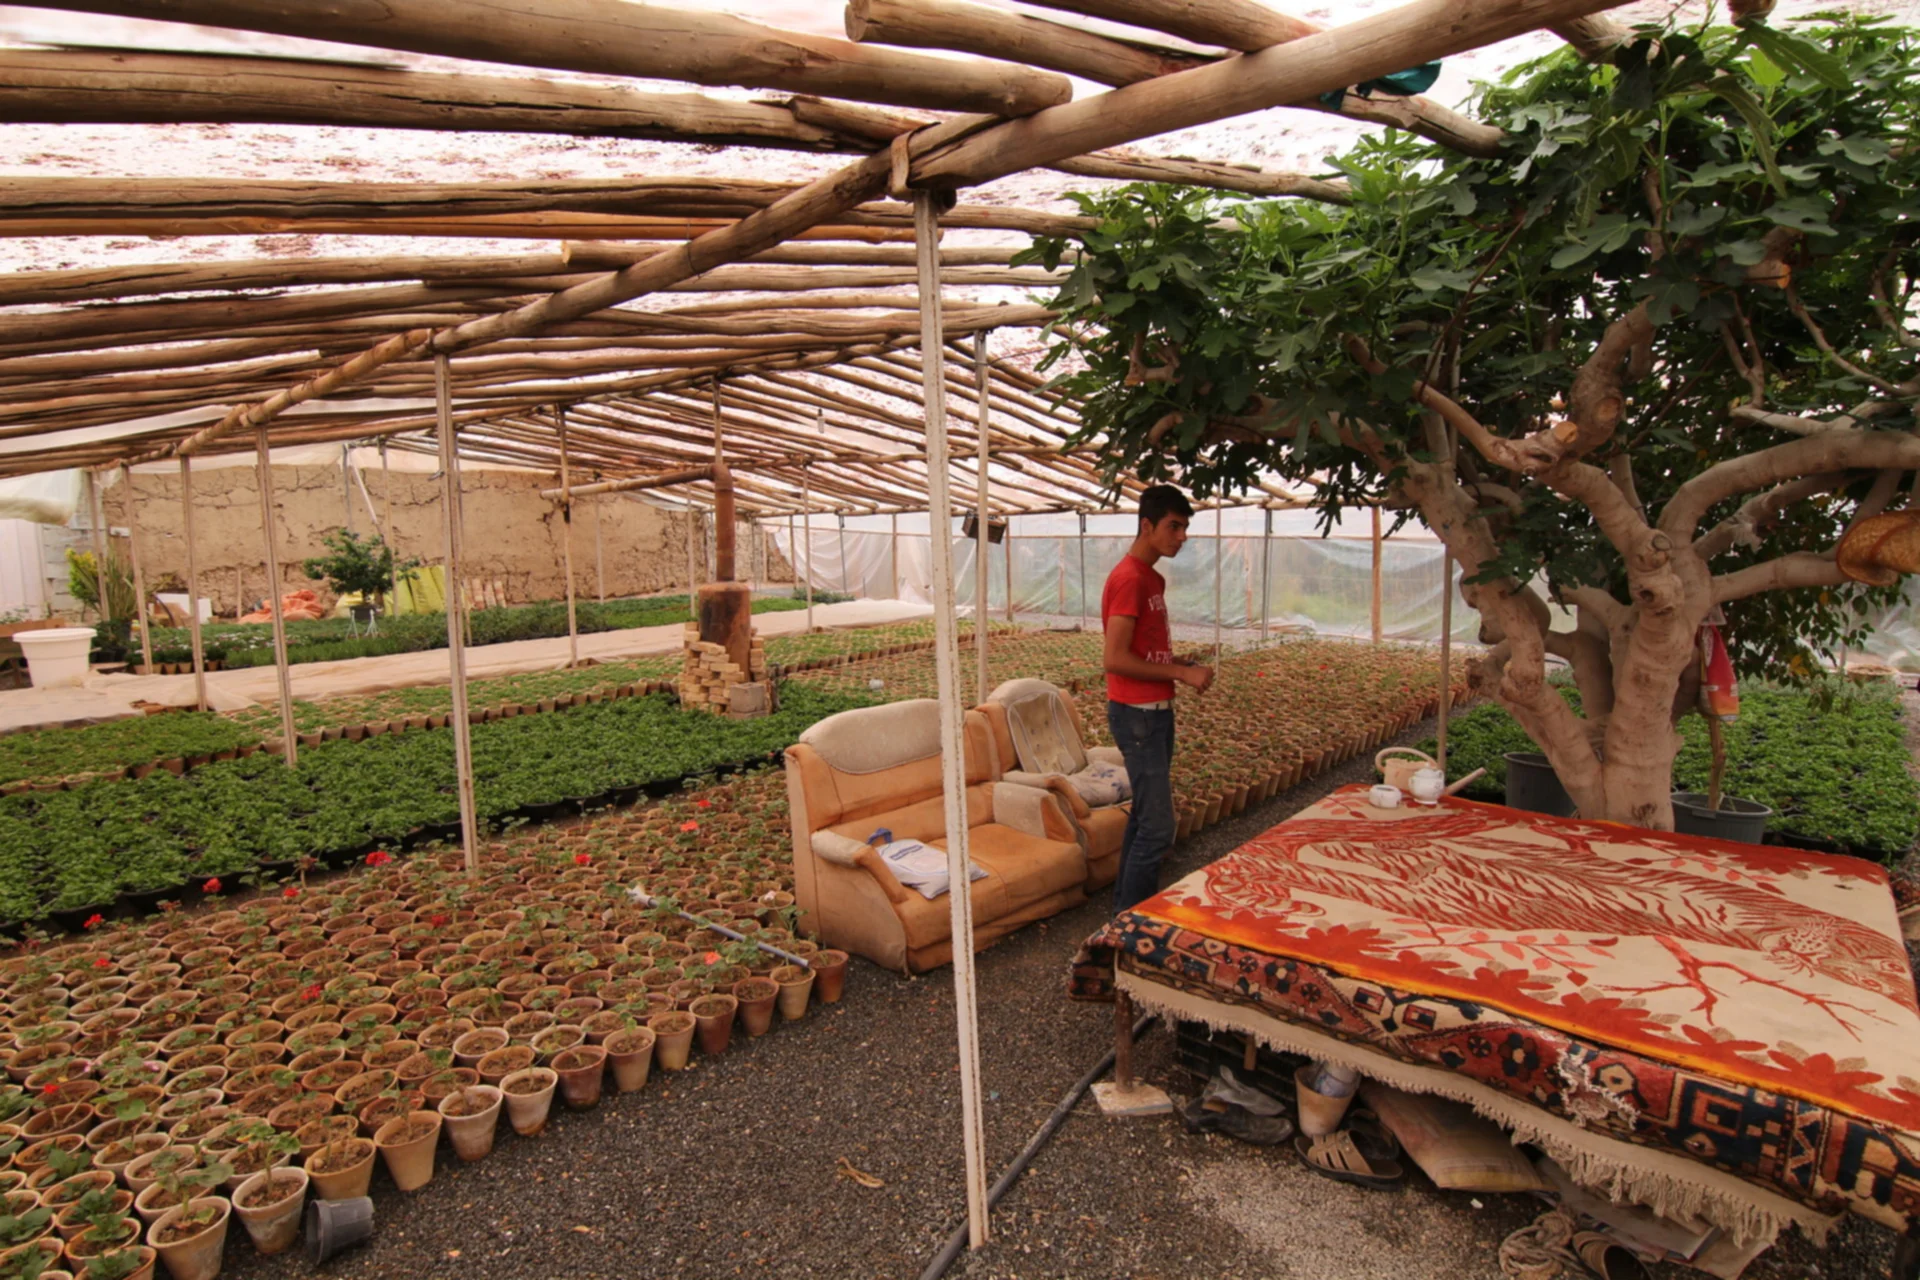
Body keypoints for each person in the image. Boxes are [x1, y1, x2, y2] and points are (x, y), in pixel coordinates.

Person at [1101, 484, 1213, 911]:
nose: (1181, 537)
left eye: (1184, 528)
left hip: (1155, 714)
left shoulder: (1152, 578)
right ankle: (1133, 925)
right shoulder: (1129, 578)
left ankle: (1122, 915)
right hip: (1137, 716)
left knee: (1144, 818)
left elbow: (1139, 650)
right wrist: (1181, 673)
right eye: (1173, 526)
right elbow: (1114, 658)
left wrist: (1174, 660)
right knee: (1158, 829)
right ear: (1146, 526)